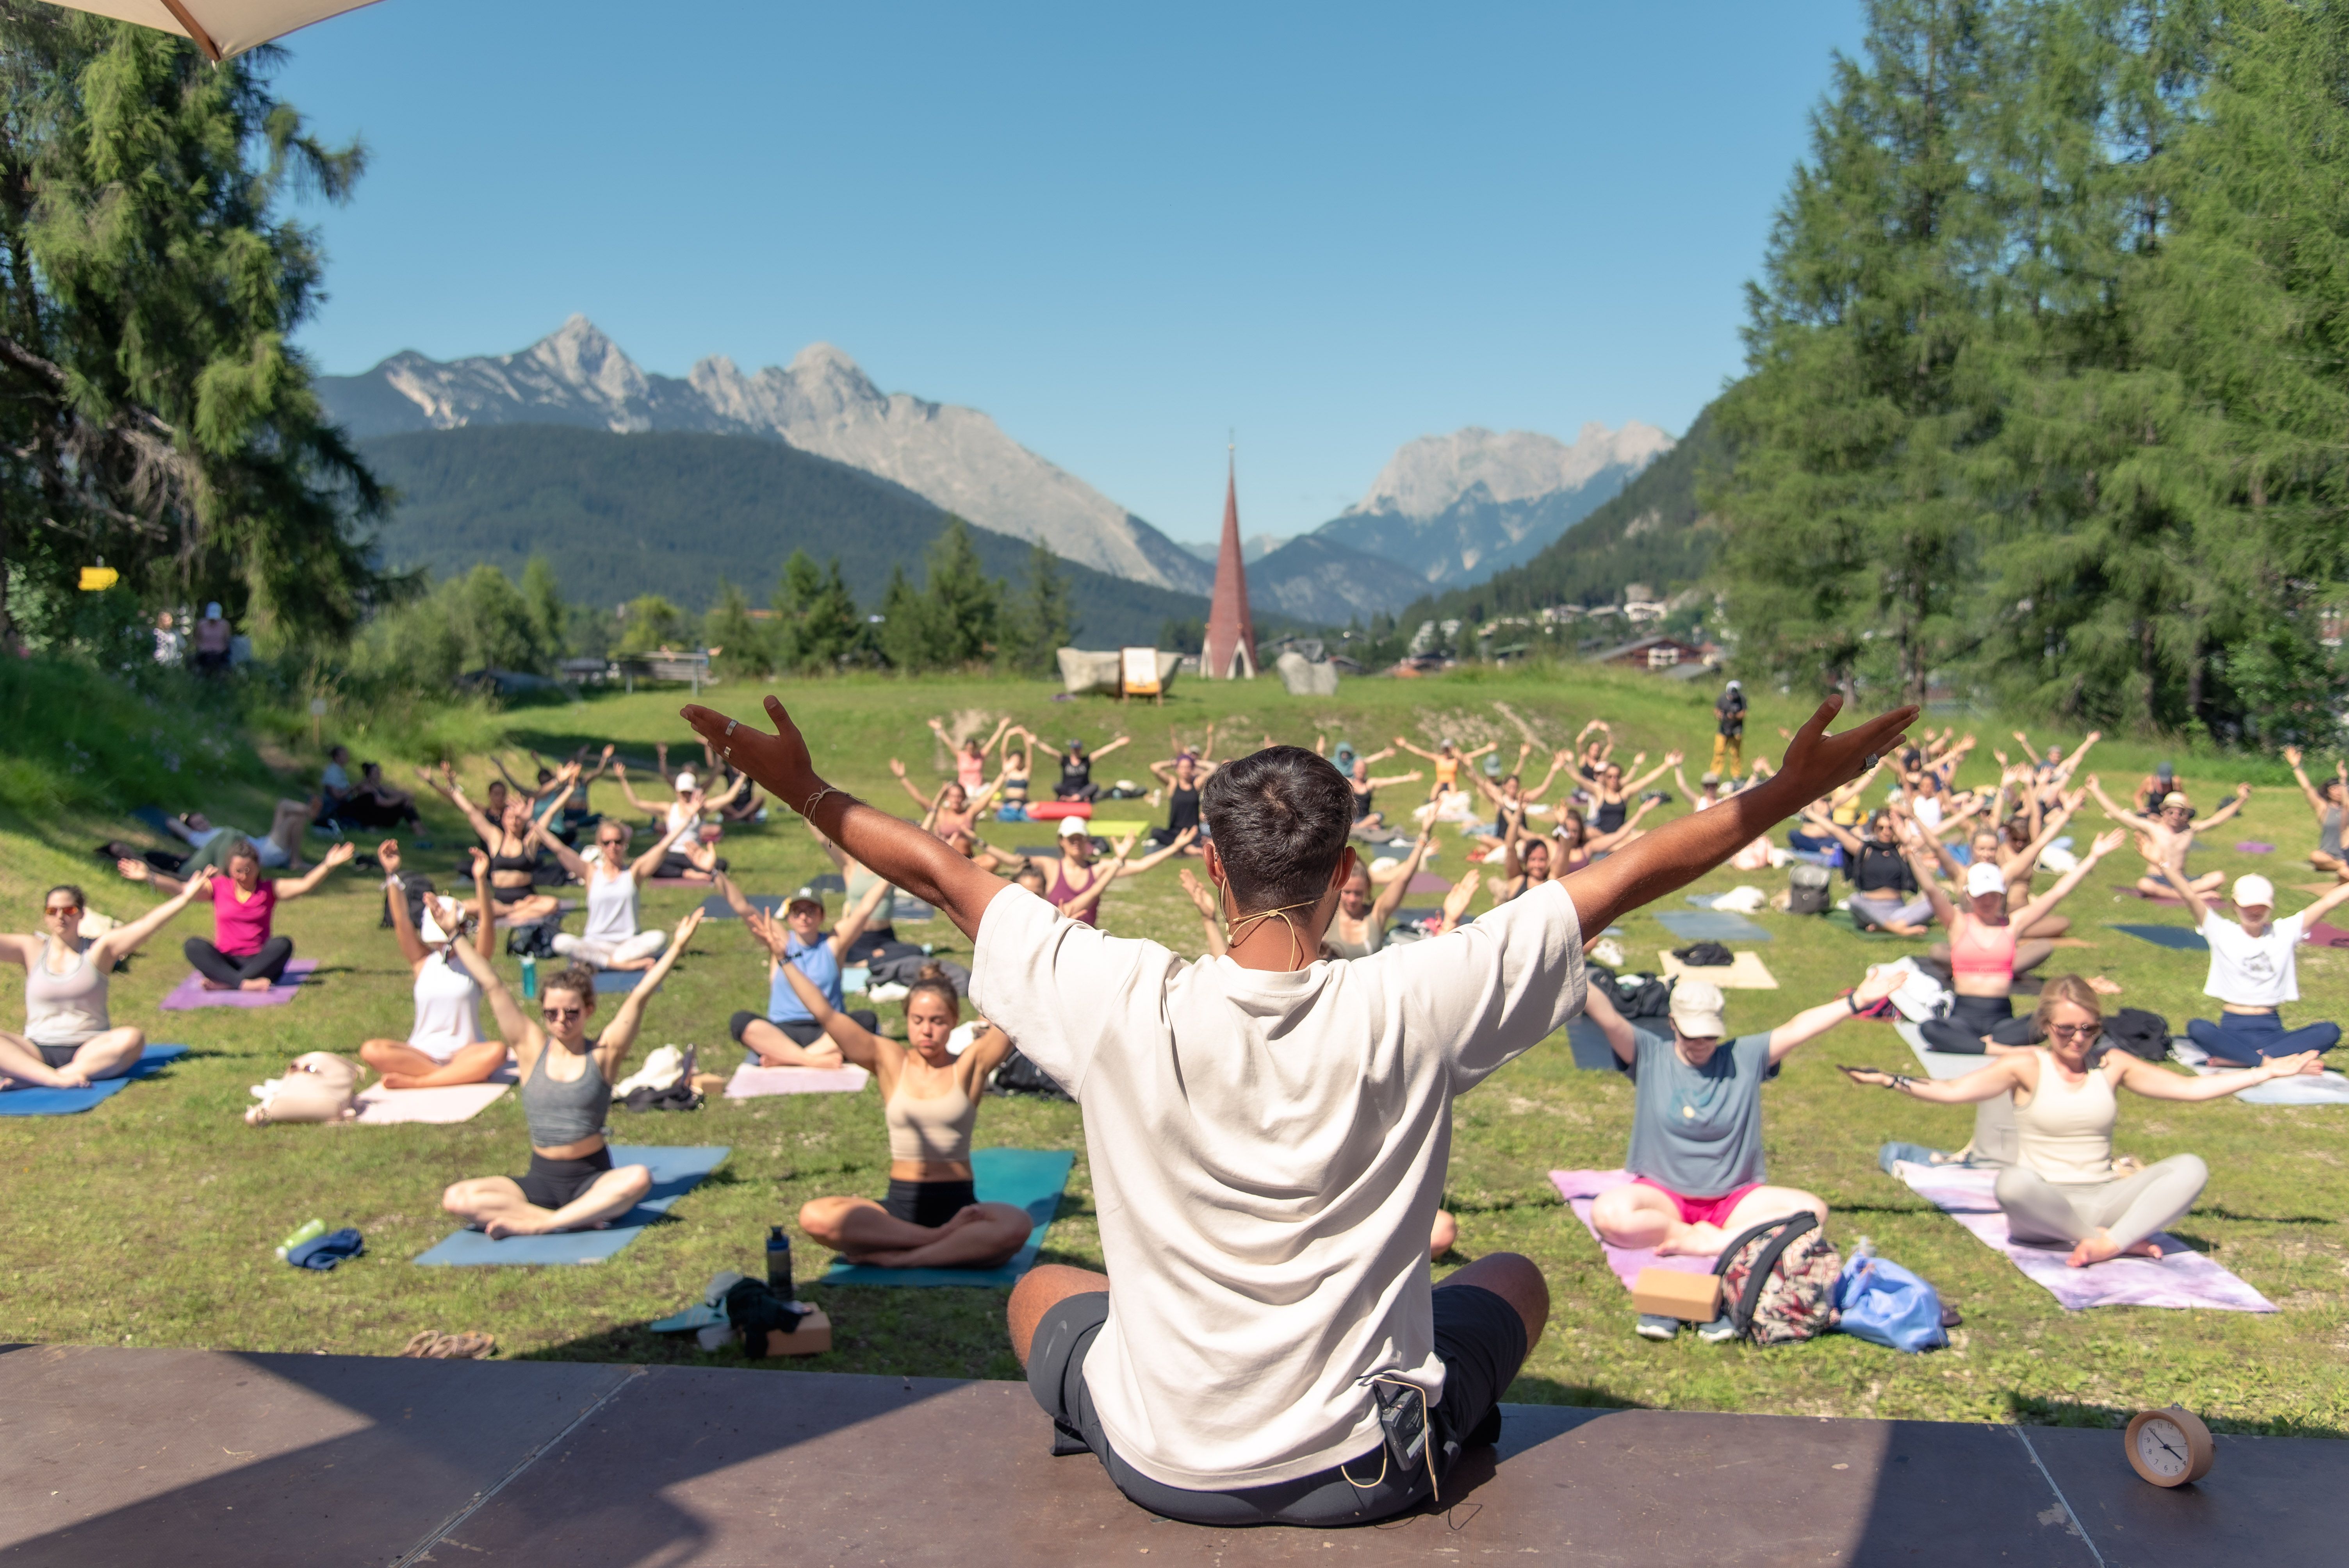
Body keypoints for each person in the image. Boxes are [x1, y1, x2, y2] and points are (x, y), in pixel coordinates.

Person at [683, 683, 1912, 1526]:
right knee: (1517, 1280)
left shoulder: (1115, 996)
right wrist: (1786, 789)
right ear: (1347, 875)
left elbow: (942, 876)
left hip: (1161, 1461)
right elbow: (1620, 879)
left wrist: (803, 788)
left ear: (1210, 867)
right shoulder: (1419, 998)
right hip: (1371, 1469)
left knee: (1039, 1292)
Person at [1843, 976, 2319, 1266]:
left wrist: (2265, 1073)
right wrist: (1887, 1079)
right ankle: (2112, 1242)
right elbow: (1951, 1091)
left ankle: (2106, 1242)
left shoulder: (2112, 1064)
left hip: (2105, 1197)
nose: (2077, 1038)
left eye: (2088, 1028)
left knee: (2191, 1166)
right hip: (2043, 1209)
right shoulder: (2025, 1064)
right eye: (2066, 1029)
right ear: (2045, 1026)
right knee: (2010, 1182)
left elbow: (2189, 1088)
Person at [1586, 968, 1905, 1338]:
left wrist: (1857, 1001)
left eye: (1709, 1035)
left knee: (1813, 1212)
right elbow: (1606, 1016)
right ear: (1672, 1023)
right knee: (1608, 1214)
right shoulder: (1648, 1054)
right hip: (1663, 1196)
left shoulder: (1745, 1056)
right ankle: (1684, 1233)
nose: (1701, 1043)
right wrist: (1567, 959)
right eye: (1692, 1035)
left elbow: (1797, 1028)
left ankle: (1713, 1241)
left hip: (1734, 1201)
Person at [440, 913, 700, 1238]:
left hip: (592, 1179)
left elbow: (640, 996)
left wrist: (677, 947)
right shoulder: (530, 1049)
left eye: (571, 1013)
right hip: (541, 1179)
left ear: (589, 1010)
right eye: (551, 1013)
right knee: (456, 1198)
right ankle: (573, 1218)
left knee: (638, 1179)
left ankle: (541, 1224)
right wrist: (454, 934)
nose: (561, 1020)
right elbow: (492, 985)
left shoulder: (604, 1054)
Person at [784, 962, 1037, 1269]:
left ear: (954, 1021)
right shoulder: (890, 1060)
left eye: (938, 1021)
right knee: (815, 1217)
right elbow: (826, 1014)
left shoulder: (971, 1064)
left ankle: (904, 1258)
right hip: (899, 1207)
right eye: (918, 1020)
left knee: (1018, 1224)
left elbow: (1017, 1011)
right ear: (907, 1020)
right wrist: (785, 959)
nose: (927, 1030)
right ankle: (940, 1240)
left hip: (959, 1206)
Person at [1905, 823, 2126, 1053]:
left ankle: (1978, 1046)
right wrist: (1910, 851)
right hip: (1963, 1016)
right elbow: (1931, 889)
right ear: (1969, 895)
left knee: (2045, 1022)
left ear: (2002, 896)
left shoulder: (2012, 925)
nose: (1988, 901)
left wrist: (2093, 857)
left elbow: (2057, 893)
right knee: (1929, 1028)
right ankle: (1994, 1048)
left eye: (1993, 895)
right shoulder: (1958, 923)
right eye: (1982, 896)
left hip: (2001, 1018)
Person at [1, 875, 213, 1089]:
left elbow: (146, 925)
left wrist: (185, 898)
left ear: (82, 914)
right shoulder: (30, 949)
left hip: (90, 1049)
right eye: (52, 911)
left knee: (132, 1039)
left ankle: (36, 1077)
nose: (61, 917)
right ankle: (49, 1077)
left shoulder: (99, 949)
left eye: (69, 910)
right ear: (45, 915)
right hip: (35, 1049)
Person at [2161, 868, 2349, 1066]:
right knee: (2198, 1028)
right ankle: (2268, 1062)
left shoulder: (2285, 931)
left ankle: (2243, 1060)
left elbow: (2328, 902)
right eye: (2248, 907)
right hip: (2231, 1033)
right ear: (2234, 905)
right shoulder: (2221, 931)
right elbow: (2189, 895)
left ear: (2271, 906)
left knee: (2329, 1031)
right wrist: (2163, 865)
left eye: (2261, 907)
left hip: (2272, 1033)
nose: (2254, 912)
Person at [118, 836, 353, 989]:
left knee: (283, 944)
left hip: (260, 961)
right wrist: (149, 876)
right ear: (229, 869)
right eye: (238, 871)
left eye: (248, 871)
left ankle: (228, 983)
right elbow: (182, 889)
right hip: (226, 960)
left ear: (258, 868)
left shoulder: (269, 889)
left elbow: (305, 885)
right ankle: (243, 983)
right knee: (193, 946)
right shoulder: (219, 887)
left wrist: (328, 865)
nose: (243, 876)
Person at [362, 845, 506, 1088]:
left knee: (497, 1052)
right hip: (423, 1053)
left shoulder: (475, 961)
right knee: (371, 1050)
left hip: (466, 1053)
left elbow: (488, 923)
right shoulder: (422, 962)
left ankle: (420, 1082)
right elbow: (401, 920)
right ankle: (452, 1076)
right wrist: (392, 875)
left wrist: (481, 880)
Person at [722, 879, 889, 1068]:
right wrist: (714, 874)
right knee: (740, 1022)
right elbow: (744, 908)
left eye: (810, 911)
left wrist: (890, 877)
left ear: (822, 916)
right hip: (783, 1032)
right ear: (789, 918)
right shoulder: (780, 942)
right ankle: (811, 1059)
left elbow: (865, 909)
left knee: (866, 1020)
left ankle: (788, 1059)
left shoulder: (833, 944)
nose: (804, 917)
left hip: (827, 1032)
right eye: (797, 912)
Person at [538, 791, 697, 970]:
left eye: (618, 842)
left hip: (627, 945)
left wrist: (687, 820)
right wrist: (532, 824)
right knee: (560, 942)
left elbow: (664, 846)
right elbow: (559, 849)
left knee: (659, 938)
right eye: (607, 843)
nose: (613, 847)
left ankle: (600, 963)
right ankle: (620, 965)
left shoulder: (634, 872)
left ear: (625, 844)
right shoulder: (590, 873)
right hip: (595, 944)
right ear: (600, 845)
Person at [414, 764, 563, 922]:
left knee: (552, 904)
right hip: (500, 902)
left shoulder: (529, 840)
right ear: (504, 819)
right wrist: (451, 786)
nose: (514, 821)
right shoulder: (495, 837)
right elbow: (470, 810)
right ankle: (512, 912)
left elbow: (549, 811)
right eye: (510, 818)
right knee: (466, 906)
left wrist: (567, 787)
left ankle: (509, 913)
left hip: (527, 900)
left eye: (518, 818)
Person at [993, 818, 1194, 928]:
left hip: (1087, 939)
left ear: (1087, 840)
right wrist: (981, 843)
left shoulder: (1099, 868)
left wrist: (1175, 847)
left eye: (1080, 838)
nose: (1076, 843)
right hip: (1054, 937)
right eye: (1071, 838)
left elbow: (1141, 865)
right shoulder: (1051, 866)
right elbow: (1013, 860)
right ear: (1061, 841)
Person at [2086, 774, 2249, 898]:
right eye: (2171, 812)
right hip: (2158, 879)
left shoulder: (2189, 829)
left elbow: (2217, 820)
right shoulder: (2153, 828)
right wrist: (2096, 790)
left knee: (2219, 877)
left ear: (2186, 815)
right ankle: (2190, 896)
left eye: (2180, 813)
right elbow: (2118, 814)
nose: (2175, 816)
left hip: (2181, 879)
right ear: (2164, 812)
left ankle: (2182, 894)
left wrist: (2242, 799)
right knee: (2144, 885)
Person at [1806, 806, 1932, 934]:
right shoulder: (1865, 850)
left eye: (1890, 828)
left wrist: (1913, 819)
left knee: (1935, 901)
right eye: (1881, 828)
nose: (1886, 832)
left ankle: (1884, 927)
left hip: (1897, 910)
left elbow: (1932, 838)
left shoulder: (1902, 850)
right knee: (1855, 900)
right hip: (1869, 908)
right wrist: (1809, 813)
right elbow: (1835, 830)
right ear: (1874, 828)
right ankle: (1898, 929)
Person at [612, 761, 743, 880]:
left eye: (689, 792)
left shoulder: (701, 809)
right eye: (683, 793)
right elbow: (637, 803)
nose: (686, 796)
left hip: (694, 856)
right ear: (677, 793)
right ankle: (687, 874)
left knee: (721, 864)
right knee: (651, 863)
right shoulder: (669, 809)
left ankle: (687, 872)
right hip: (673, 854)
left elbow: (729, 797)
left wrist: (743, 777)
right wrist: (623, 780)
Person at [1323, 829, 1435, 958]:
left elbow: (1403, 879)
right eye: (1347, 892)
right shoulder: (1327, 914)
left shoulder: (1376, 913)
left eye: (1358, 893)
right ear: (1339, 888)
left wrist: (1423, 837)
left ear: (1367, 889)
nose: (1352, 899)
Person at [162, 801, 321, 873]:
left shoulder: (215, 831)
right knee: (292, 817)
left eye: (203, 820)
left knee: (285, 806)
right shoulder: (197, 838)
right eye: (197, 824)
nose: (202, 824)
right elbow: (171, 822)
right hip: (264, 854)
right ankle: (296, 861)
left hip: (263, 844)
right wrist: (184, 819)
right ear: (192, 829)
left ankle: (310, 812)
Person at [2282, 747, 2349, 877]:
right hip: (2329, 856)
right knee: (2316, 856)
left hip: (2347, 853)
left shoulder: (2347, 808)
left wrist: (2343, 780)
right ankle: (2343, 866)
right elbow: (2307, 788)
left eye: (2340, 788)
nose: (2338, 792)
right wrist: (2296, 767)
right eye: (2334, 789)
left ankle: (2344, 866)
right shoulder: (2324, 808)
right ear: (2328, 792)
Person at [1586, 751, 1679, 839]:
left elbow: (1647, 779)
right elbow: (1580, 779)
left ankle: (1613, 846)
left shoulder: (1625, 793)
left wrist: (1666, 765)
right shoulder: (1600, 793)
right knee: (1589, 832)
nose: (1614, 780)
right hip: (1602, 836)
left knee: (1643, 834)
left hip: (1621, 837)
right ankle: (1611, 845)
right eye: (1610, 777)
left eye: (1617, 776)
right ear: (1605, 778)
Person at [1147, 742, 1222, 850]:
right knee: (1156, 832)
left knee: (1209, 839)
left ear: (1192, 768)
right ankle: (1188, 848)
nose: (1185, 770)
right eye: (1182, 767)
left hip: (1194, 832)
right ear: (1177, 769)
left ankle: (1183, 848)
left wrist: (1194, 761)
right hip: (1175, 832)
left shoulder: (1196, 784)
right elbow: (1155, 767)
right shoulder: (1173, 784)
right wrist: (1174, 762)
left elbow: (1215, 768)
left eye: (1188, 767)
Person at [1340, 749, 1421, 838]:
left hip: (1367, 819)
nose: (1360, 770)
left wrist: (1408, 778)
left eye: (1362, 768)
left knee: (1379, 815)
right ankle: (1365, 827)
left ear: (1366, 770)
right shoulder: (1349, 783)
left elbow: (1388, 781)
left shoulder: (1370, 784)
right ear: (1353, 769)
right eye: (1358, 768)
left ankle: (1359, 827)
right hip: (1352, 819)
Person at [1392, 733, 1496, 797]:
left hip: (1451, 783)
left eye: (1448, 749)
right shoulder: (1438, 759)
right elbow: (1421, 752)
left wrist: (1487, 749)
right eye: (1445, 749)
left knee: (1453, 793)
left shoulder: (1456, 760)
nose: (1447, 752)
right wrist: (1406, 745)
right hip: (1440, 782)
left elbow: (1471, 756)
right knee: (1434, 795)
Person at [930, 716, 1012, 795]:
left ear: (976, 748)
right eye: (968, 748)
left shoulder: (981, 755)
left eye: (972, 748)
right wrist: (940, 729)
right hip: (964, 790)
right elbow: (949, 743)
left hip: (978, 790)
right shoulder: (961, 756)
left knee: (990, 788)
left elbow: (992, 742)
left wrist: (1001, 728)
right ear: (965, 747)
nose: (970, 750)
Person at [1053, 735, 1131, 804]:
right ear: (1071, 749)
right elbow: (1051, 752)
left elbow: (1101, 752)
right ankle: (1079, 799)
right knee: (1057, 786)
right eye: (1075, 749)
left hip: (1083, 791)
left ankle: (1074, 799)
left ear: (1081, 749)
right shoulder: (1065, 760)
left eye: (1078, 749)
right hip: (1068, 790)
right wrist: (1043, 744)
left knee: (1095, 786)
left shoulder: (1086, 760)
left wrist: (1117, 744)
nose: (1076, 751)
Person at [1711, 679, 1747, 779]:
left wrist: (1733, 716)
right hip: (1723, 729)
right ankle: (1715, 774)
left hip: (1736, 729)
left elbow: (1743, 714)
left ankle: (1736, 775)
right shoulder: (1722, 698)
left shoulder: (1742, 699)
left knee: (1736, 753)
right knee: (1719, 751)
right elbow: (1716, 710)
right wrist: (1719, 715)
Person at [192, 601, 231, 675]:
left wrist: (222, 650)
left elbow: (227, 640)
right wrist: (202, 649)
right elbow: (197, 639)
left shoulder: (225, 625)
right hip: (204, 654)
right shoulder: (201, 624)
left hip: (220, 654)